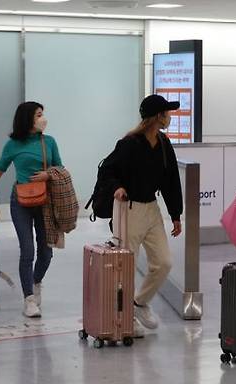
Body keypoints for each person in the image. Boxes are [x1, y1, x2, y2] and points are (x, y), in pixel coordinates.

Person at [99, 94, 183, 338]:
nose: (169, 116)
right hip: (129, 209)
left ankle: (138, 303)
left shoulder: (164, 144)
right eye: (167, 112)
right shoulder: (130, 143)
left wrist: (175, 214)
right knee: (124, 267)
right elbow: (107, 170)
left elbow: (171, 181)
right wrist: (117, 187)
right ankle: (123, 318)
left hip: (151, 209)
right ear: (157, 116)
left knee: (164, 262)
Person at [0, 102, 62, 318]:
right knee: (27, 251)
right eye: (39, 115)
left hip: (44, 202)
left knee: (46, 252)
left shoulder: (49, 142)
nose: (43, 119)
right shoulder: (13, 144)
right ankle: (29, 299)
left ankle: (36, 281)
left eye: (43, 114)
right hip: (21, 201)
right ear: (28, 119)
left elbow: (60, 168)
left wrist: (48, 175)